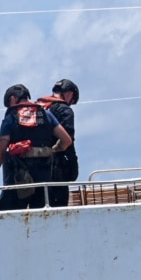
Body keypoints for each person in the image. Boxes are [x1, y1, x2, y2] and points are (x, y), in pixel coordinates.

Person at [0, 84, 72, 211]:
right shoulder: (47, 115)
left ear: (13, 99)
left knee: (10, 219)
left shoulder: (10, 119)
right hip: (44, 183)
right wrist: (53, 150)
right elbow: (66, 141)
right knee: (43, 220)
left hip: (17, 183)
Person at [36, 79, 79, 207]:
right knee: (58, 209)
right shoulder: (64, 110)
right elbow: (67, 141)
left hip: (33, 167)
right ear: (70, 94)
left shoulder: (37, 108)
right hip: (55, 168)